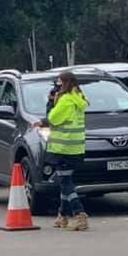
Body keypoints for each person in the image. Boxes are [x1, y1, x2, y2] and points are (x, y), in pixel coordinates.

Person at [45, 71, 88, 231]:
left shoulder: (65, 100)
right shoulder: (79, 99)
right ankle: (62, 216)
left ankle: (79, 214)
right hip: (76, 147)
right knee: (66, 180)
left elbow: (53, 118)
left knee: (65, 182)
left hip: (63, 147)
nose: (57, 87)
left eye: (59, 84)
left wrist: (51, 103)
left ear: (65, 84)